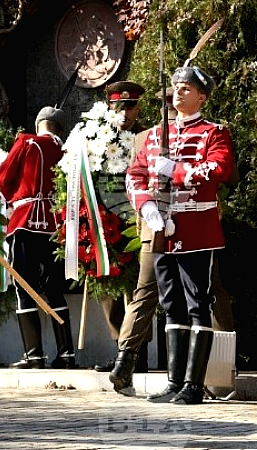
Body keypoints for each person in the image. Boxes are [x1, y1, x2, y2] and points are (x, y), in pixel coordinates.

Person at [126, 66, 234, 405]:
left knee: (197, 304)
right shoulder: (158, 134)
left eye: (186, 88)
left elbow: (220, 168)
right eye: (176, 87)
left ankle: (193, 384)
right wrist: (146, 208)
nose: (179, 92)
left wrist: (178, 170)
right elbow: (135, 174)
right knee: (171, 305)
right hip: (162, 230)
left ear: (202, 95)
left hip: (197, 229)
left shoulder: (213, 132)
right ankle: (175, 382)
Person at [0, 106, 76, 370]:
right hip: (55, 223)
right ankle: (66, 355)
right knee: (54, 288)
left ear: (38, 122)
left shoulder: (26, 142)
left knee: (24, 286)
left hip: (26, 220)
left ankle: (34, 355)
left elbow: (4, 177)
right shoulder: (69, 151)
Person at [95, 80, 152, 375]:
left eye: (130, 106)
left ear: (138, 108)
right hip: (105, 219)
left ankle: (137, 352)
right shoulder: (95, 137)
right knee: (109, 287)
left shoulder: (147, 136)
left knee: (138, 286)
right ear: (110, 107)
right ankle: (120, 347)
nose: (125, 112)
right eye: (119, 106)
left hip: (138, 217)